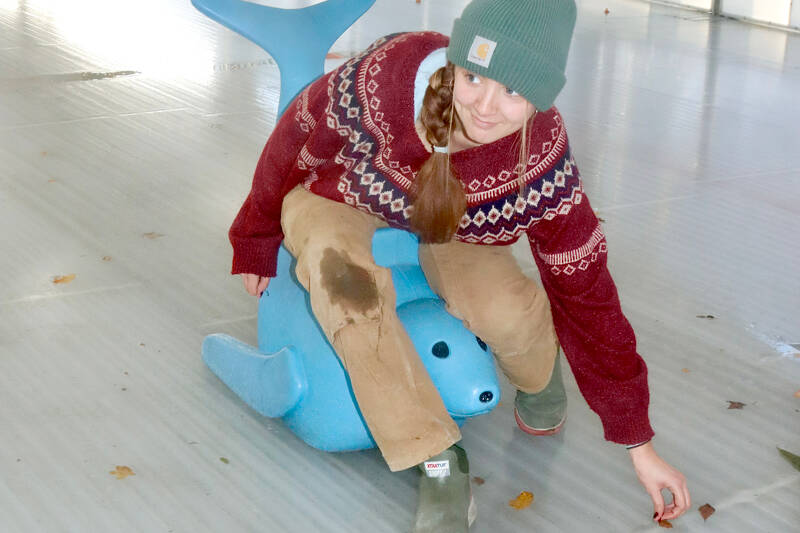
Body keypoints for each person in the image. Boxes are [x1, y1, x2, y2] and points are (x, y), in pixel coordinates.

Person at [228, 0, 690, 530]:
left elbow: (587, 292)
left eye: (513, 91)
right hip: (341, 198)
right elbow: (296, 129)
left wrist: (637, 439)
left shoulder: (542, 159)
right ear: (455, 59)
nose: (486, 108)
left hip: (454, 226)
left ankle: (542, 379)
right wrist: (255, 232)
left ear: (542, 96)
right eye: (473, 76)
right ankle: (437, 457)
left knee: (505, 308)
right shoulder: (387, 79)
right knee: (347, 289)